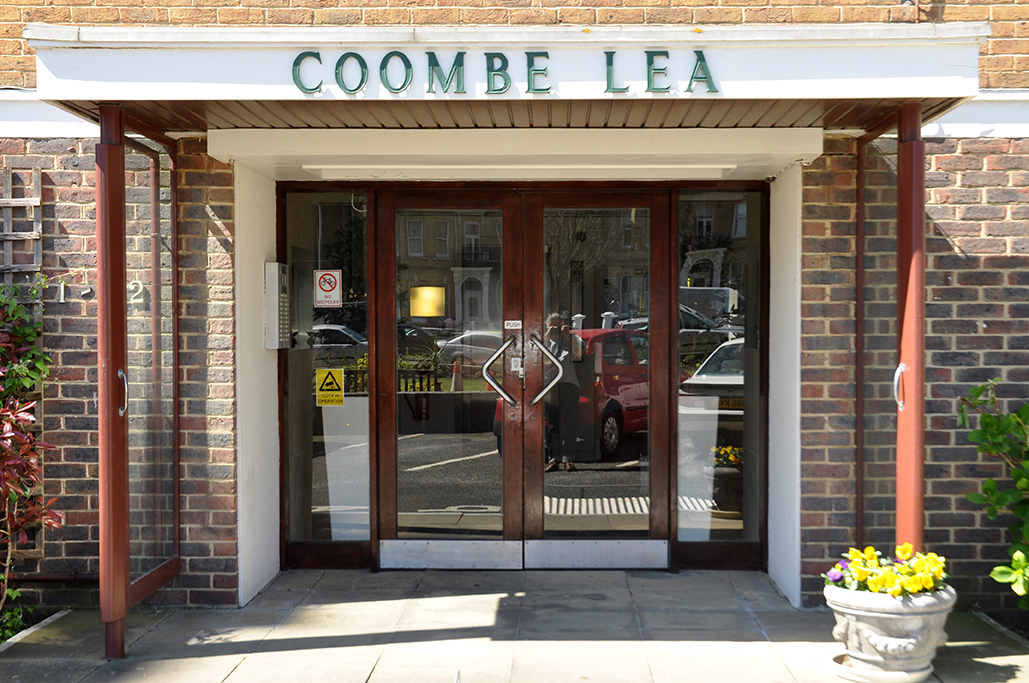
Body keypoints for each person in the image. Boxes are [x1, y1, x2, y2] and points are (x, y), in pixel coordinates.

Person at [543, 312, 583, 472]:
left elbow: (580, 355)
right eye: (551, 327)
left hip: (569, 385)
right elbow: (535, 358)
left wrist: (568, 337)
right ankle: (553, 459)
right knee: (552, 425)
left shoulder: (573, 340)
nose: (554, 330)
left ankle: (569, 459)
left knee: (570, 424)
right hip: (550, 387)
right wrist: (545, 338)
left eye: (557, 327)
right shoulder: (544, 343)